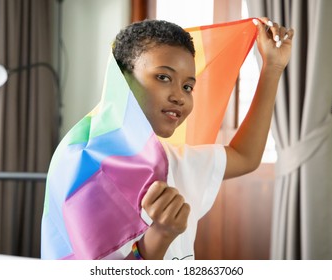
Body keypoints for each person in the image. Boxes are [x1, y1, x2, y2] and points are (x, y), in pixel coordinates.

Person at [105, 17, 294, 260]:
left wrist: (273, 68)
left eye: (188, 87)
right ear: (123, 80)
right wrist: (159, 235)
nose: (180, 97)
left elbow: (245, 156)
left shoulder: (175, 160)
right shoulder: (86, 171)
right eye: (163, 77)